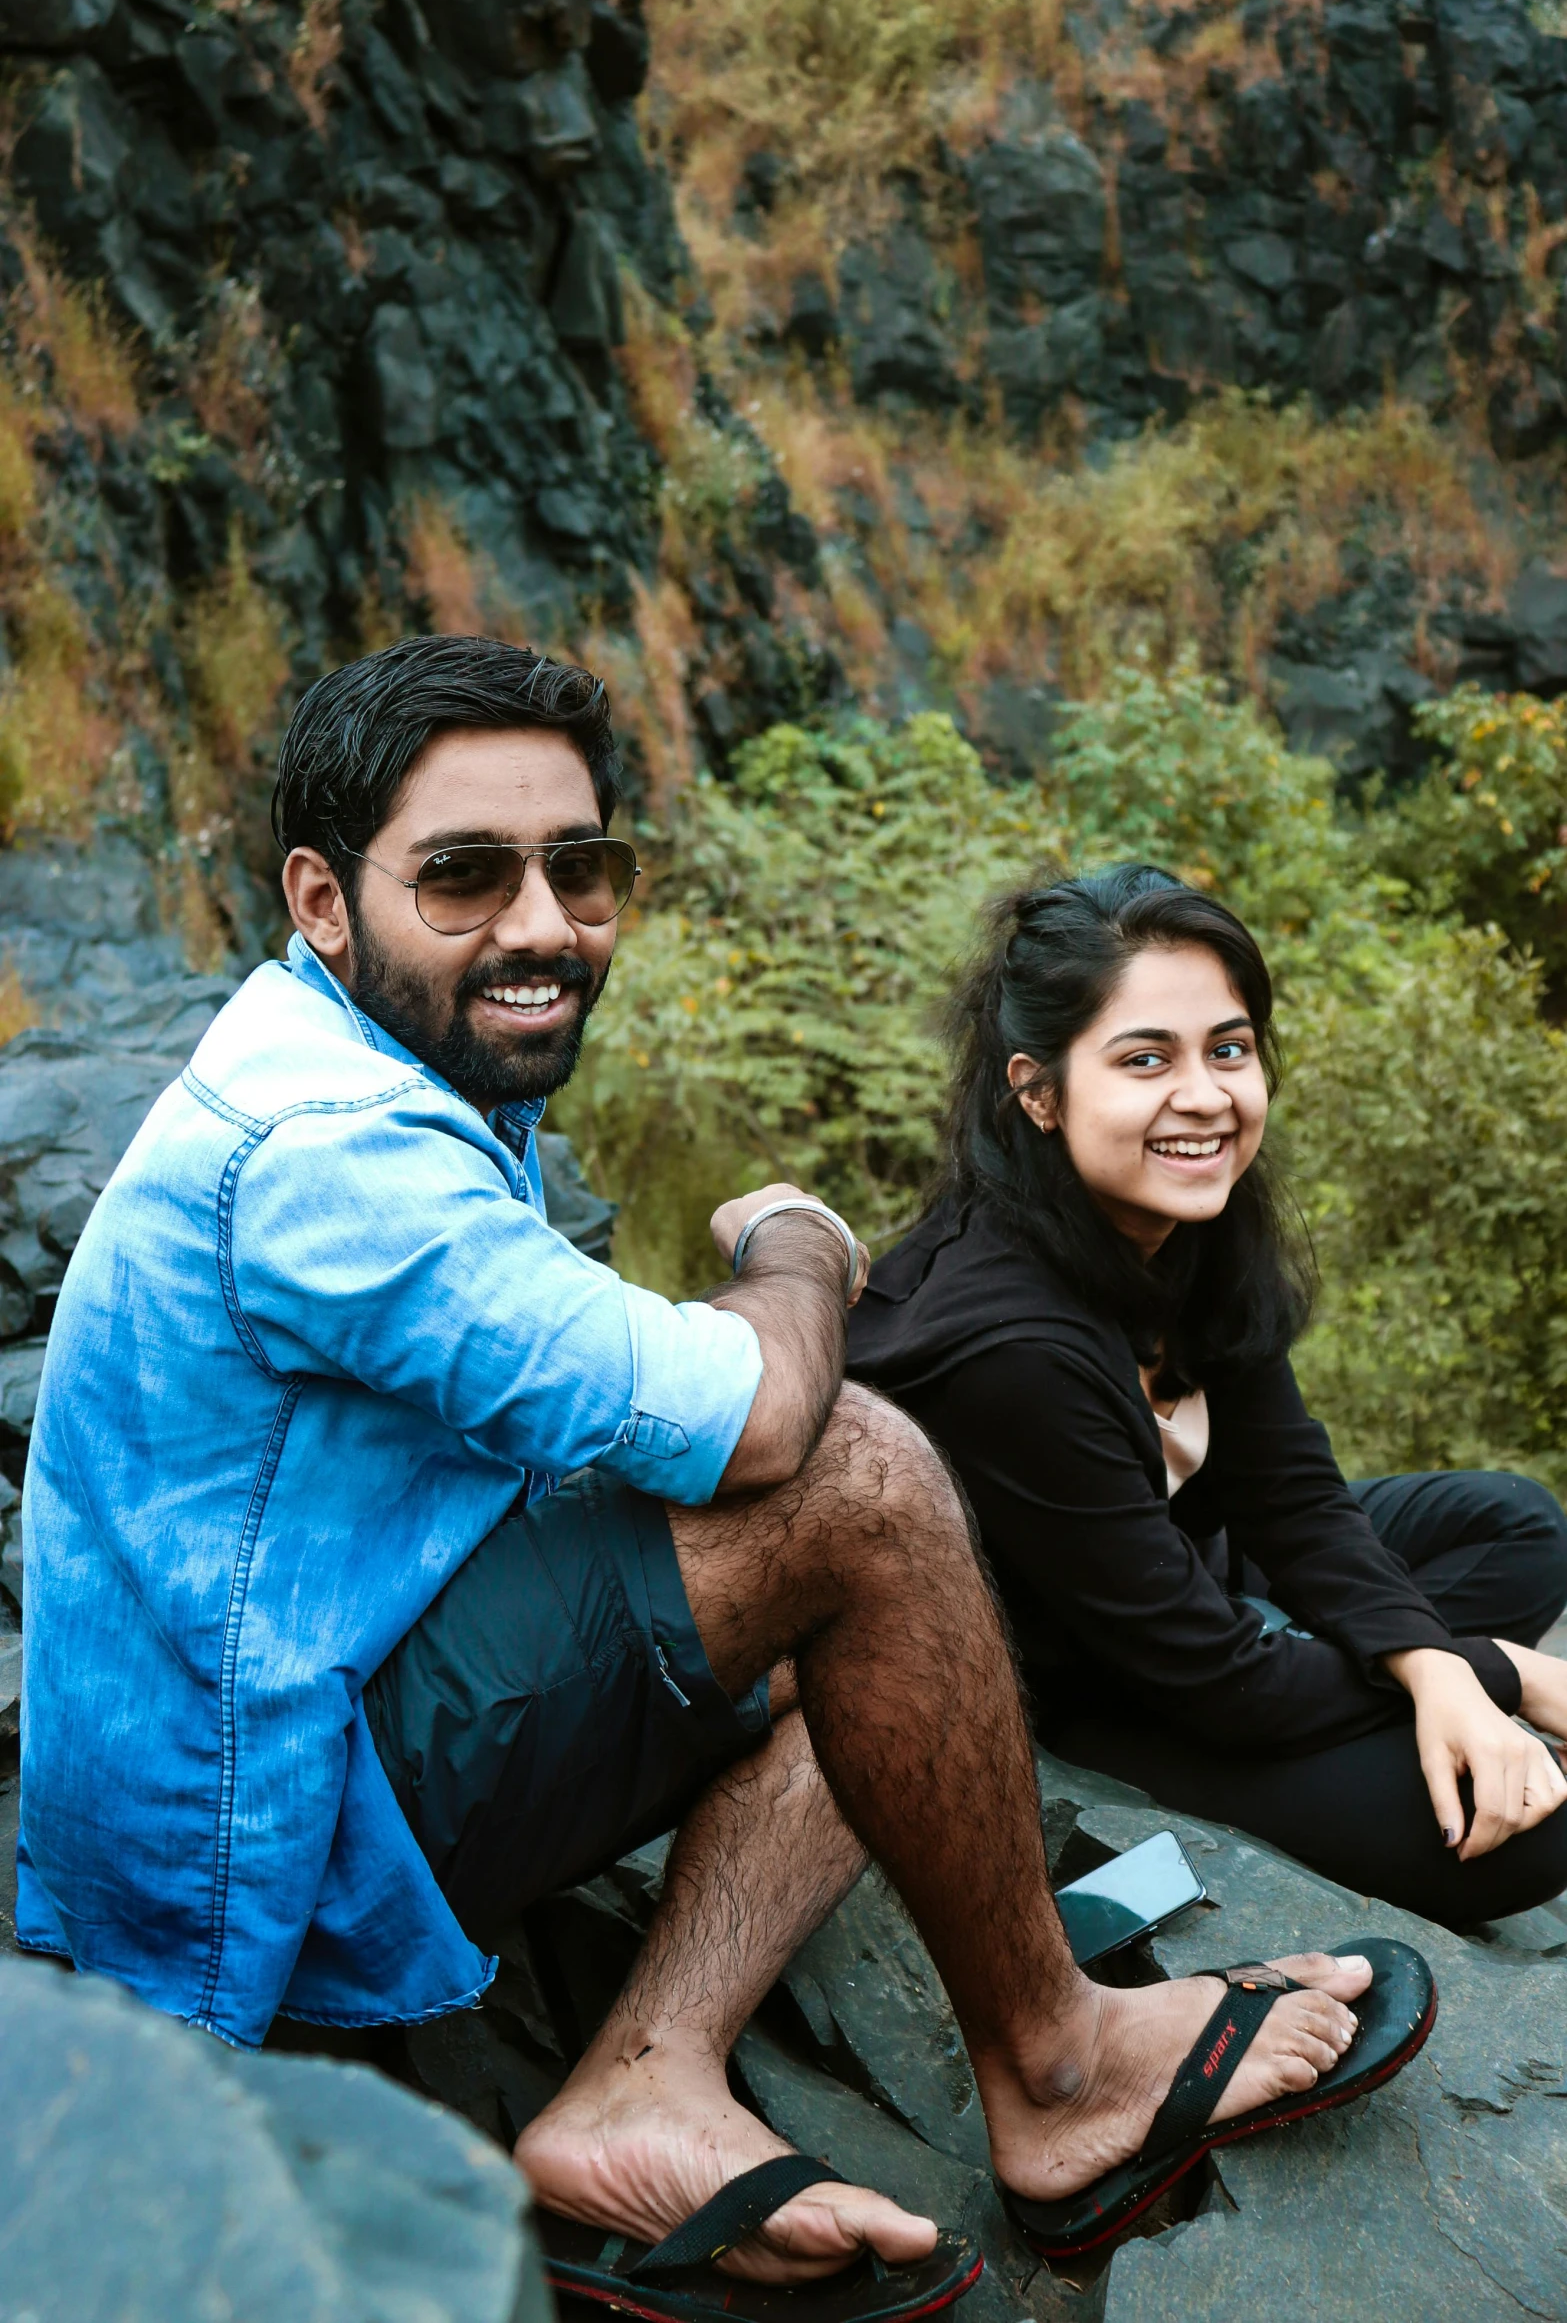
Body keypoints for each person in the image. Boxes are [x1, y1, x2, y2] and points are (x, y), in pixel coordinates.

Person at [21, 650, 1406, 2301]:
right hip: (258, 1839)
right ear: (322, 896)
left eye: (577, 867)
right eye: (465, 874)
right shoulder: (331, 1157)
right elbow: (759, 1424)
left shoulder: (377, 1056)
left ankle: (640, 2083)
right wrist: (802, 1248)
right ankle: (1057, 2071)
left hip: (316, 1693)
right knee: (862, 1473)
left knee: (891, 1647)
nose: (542, 924)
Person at [847, 863, 1567, 1931]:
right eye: (1146, 1059)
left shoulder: (1185, 1225)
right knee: (1533, 1833)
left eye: (1227, 1048)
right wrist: (1494, 1671)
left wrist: (1427, 1668)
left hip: (1191, 1588)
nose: (1204, 1095)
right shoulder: (1009, 1348)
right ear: (1036, 1092)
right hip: (1087, 1694)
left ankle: (1344, 1665)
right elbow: (1211, 1681)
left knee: (1514, 1527)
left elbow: (1293, 1494)